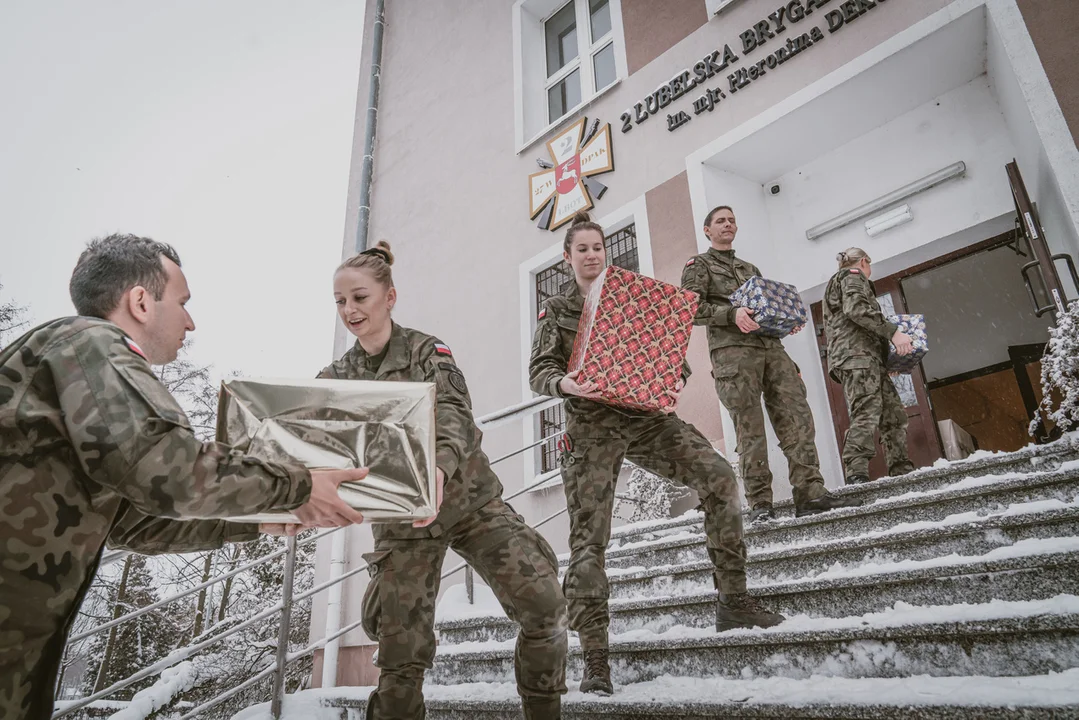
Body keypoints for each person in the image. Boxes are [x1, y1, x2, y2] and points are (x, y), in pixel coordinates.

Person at [0, 234, 368, 720]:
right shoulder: (90, 343)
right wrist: (298, 486)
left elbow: (135, 522)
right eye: (182, 303)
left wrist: (257, 521)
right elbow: (164, 468)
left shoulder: (75, 362)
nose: (190, 322)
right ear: (139, 301)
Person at [529, 212, 784, 697]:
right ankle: (596, 658)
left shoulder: (631, 298)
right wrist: (562, 381)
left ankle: (734, 601)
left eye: (597, 247)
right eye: (581, 248)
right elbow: (539, 369)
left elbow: (671, 358)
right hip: (591, 425)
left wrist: (668, 374)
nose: (591, 254)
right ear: (568, 257)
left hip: (646, 418)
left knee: (719, 477)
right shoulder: (558, 308)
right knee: (589, 542)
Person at [319, 242, 567, 720]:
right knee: (401, 653)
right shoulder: (337, 377)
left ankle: (543, 710)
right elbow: (316, 441)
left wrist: (438, 467)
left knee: (545, 605)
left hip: (469, 501)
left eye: (360, 297)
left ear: (390, 297)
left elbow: (455, 412)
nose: (349, 310)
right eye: (340, 300)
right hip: (402, 520)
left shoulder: (427, 350)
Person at [681, 205, 859, 524]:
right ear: (707, 230)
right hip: (733, 354)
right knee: (750, 430)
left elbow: (766, 307)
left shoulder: (750, 268)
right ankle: (761, 503)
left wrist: (784, 324)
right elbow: (688, 310)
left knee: (797, 417)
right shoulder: (699, 265)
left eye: (732, 220)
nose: (728, 224)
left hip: (771, 349)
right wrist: (730, 314)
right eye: (720, 221)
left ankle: (810, 493)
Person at [822, 248, 916, 484]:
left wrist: (885, 360)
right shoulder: (852, 276)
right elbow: (858, 310)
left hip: (868, 359)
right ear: (864, 261)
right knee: (866, 410)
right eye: (869, 266)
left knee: (892, 413)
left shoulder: (844, 280)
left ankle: (900, 467)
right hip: (857, 357)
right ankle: (856, 470)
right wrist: (894, 333)